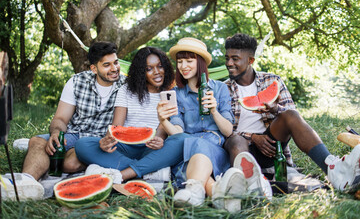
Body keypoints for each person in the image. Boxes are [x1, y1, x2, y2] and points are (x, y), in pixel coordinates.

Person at [223, 33, 360, 194]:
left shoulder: (272, 81)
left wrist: (275, 110)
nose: (229, 63)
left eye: (235, 58)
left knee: (291, 115)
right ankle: (250, 186)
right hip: (239, 148)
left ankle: (333, 168)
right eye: (227, 58)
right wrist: (252, 137)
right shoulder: (222, 89)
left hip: (271, 146)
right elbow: (222, 129)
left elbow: (292, 114)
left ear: (250, 60)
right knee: (237, 140)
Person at [1, 41, 126, 201]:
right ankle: (26, 182)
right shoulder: (77, 81)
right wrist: (56, 133)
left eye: (116, 62)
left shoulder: (126, 86)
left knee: (70, 164)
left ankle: (42, 156)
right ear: (94, 68)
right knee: (38, 142)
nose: (114, 68)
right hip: (74, 134)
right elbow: (60, 118)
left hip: (98, 141)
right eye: (107, 65)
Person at [157, 37, 246, 207]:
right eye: (180, 61)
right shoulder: (176, 94)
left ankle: (194, 191)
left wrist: (214, 111)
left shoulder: (220, 88)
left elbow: (228, 131)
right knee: (194, 145)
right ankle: (219, 197)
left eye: (189, 61)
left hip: (214, 149)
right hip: (187, 149)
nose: (183, 66)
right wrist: (162, 120)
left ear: (201, 63)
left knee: (198, 147)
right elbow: (178, 132)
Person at [75, 46, 185, 183]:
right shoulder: (126, 90)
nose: (157, 72)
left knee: (182, 141)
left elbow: (163, 130)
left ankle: (123, 173)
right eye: (149, 69)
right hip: (125, 147)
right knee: (83, 145)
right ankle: (147, 169)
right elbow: (116, 127)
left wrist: (159, 141)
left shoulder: (170, 94)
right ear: (140, 72)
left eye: (160, 67)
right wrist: (107, 141)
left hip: (152, 149)